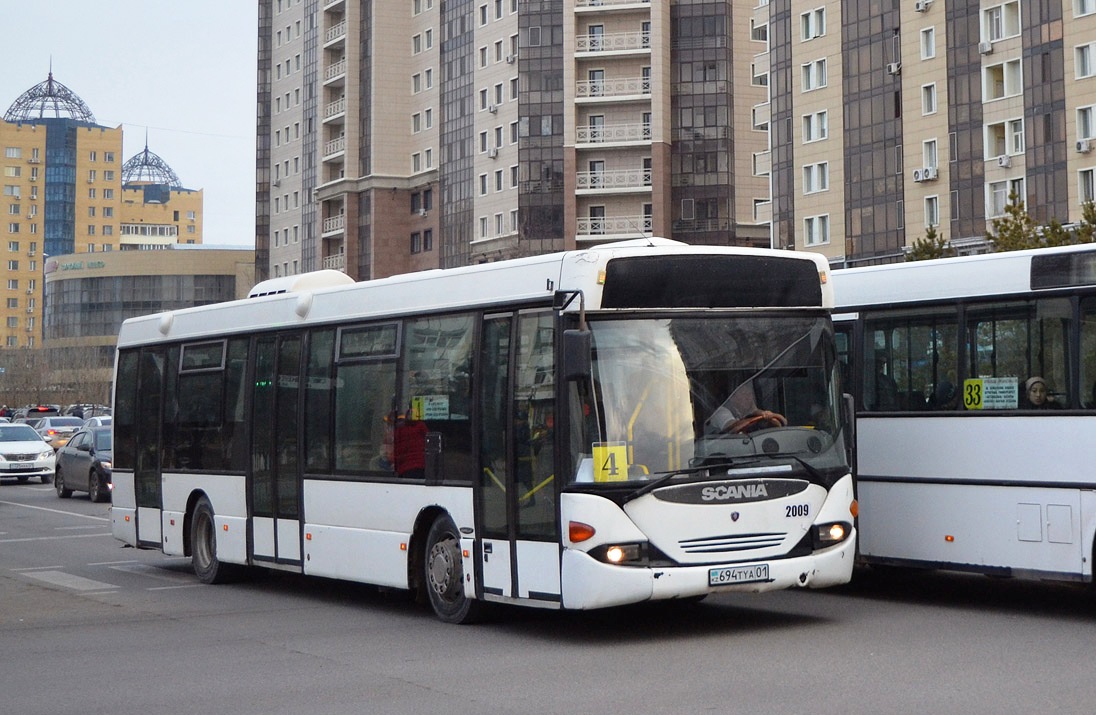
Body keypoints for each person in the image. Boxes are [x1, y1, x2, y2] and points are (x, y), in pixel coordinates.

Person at [392, 410, 428, 478]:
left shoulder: (399, 429)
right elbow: (428, 440)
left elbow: (396, 448)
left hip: (404, 467)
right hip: (420, 464)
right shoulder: (421, 425)